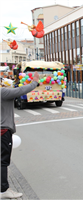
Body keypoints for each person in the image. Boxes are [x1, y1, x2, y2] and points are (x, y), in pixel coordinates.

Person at [0, 71, 39, 199]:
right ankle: (3, 189)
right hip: (3, 130)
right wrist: (35, 82)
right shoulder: (2, 92)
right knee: (2, 161)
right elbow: (21, 90)